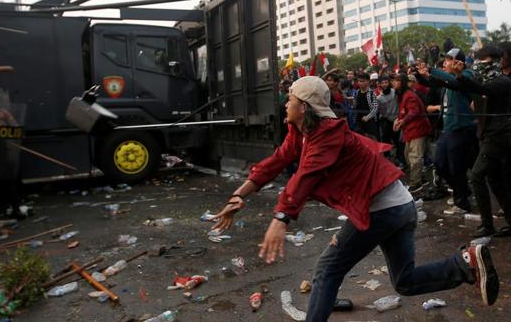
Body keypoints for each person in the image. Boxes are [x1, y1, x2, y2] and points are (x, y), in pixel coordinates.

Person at [209, 76, 498, 322]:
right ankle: (464, 263)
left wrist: (281, 217)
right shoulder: (301, 131)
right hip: (399, 205)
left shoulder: (328, 134)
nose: (286, 103)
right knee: (405, 281)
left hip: (383, 210)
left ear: (304, 107)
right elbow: (277, 160)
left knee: (327, 269)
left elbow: (304, 176)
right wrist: (239, 195)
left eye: (290, 99)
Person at [448, 46, 511, 237]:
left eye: (483, 62)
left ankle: (487, 225)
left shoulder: (502, 81)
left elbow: (482, 89)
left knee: (476, 176)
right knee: (496, 179)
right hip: (489, 134)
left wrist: (461, 77)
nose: (479, 66)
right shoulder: (490, 78)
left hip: (498, 135)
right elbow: (467, 87)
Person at [415, 48, 478, 213]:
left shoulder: (467, 76)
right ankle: (462, 190)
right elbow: (432, 82)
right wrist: (419, 75)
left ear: (459, 62)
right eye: (445, 59)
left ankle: (462, 201)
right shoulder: (446, 82)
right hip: (447, 130)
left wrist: (432, 70)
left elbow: (455, 82)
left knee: (457, 167)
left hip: (462, 129)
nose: (445, 62)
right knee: (440, 165)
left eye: (449, 59)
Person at [393, 73, 432, 193]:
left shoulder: (409, 95)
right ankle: (421, 178)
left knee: (415, 157)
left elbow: (413, 112)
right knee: (408, 156)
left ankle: (416, 183)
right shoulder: (403, 94)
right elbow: (405, 112)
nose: (393, 83)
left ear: (402, 82)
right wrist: (398, 120)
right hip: (410, 130)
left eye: (396, 81)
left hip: (417, 129)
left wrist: (402, 121)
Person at [354, 73, 378, 139]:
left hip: (370, 121)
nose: (360, 83)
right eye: (359, 81)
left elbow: (375, 108)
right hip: (359, 120)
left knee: (371, 139)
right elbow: (355, 105)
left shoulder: (372, 93)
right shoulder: (357, 92)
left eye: (363, 81)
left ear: (368, 81)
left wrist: (368, 117)